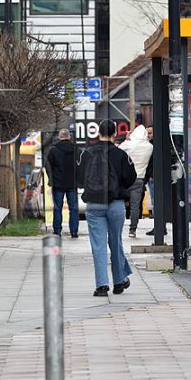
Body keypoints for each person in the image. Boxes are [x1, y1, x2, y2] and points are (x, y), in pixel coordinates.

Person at [78, 119, 137, 297]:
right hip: (115, 204)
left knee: (98, 245)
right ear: (113, 134)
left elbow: (80, 177)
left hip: (94, 204)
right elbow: (131, 178)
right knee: (116, 242)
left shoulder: (86, 154)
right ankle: (119, 281)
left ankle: (102, 286)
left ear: (99, 133)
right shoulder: (121, 155)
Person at [119, 125, 153, 238]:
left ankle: (118, 227)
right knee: (135, 206)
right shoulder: (149, 147)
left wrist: (127, 138)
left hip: (126, 178)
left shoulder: (128, 144)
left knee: (120, 203)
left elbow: (118, 150)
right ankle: (132, 230)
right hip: (139, 179)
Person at [46, 129, 79, 238]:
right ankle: (74, 231)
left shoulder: (53, 150)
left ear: (59, 137)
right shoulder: (76, 150)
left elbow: (48, 166)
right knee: (73, 208)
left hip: (58, 183)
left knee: (57, 208)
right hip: (72, 183)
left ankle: (57, 231)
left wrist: (51, 179)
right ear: (69, 137)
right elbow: (81, 165)